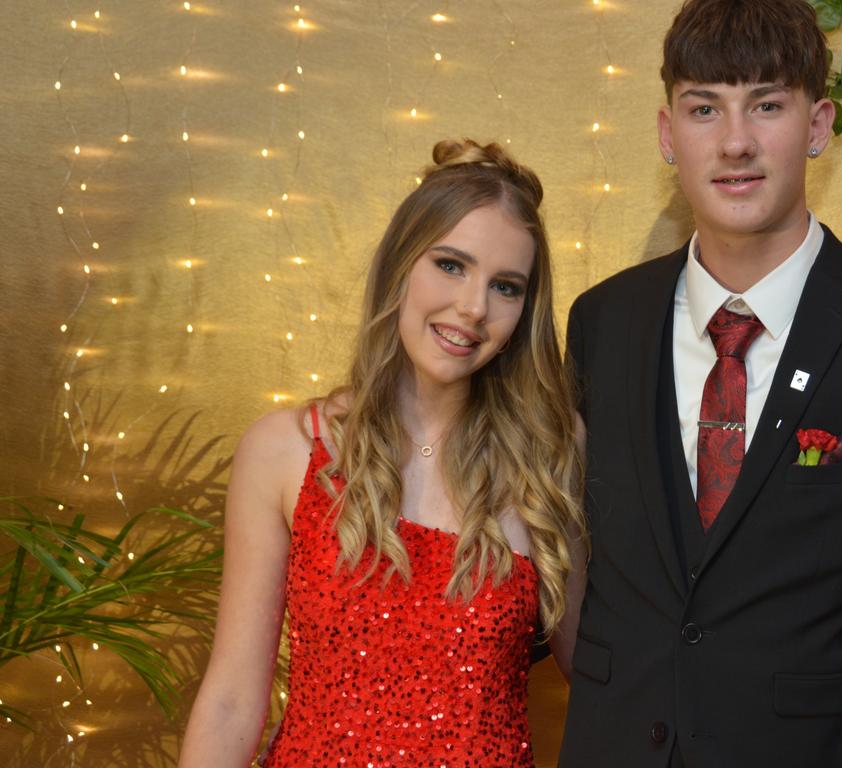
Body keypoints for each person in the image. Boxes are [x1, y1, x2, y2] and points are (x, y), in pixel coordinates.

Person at [558, 0, 842, 766]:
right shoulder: (601, 323)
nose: (735, 142)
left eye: (767, 104)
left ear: (819, 125)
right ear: (669, 134)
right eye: (705, 108)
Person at [178, 138, 586, 768]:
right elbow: (232, 700)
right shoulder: (285, 450)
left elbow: (596, 666)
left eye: (506, 286)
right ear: (400, 265)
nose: (474, 308)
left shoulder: (549, 456)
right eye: (451, 265)